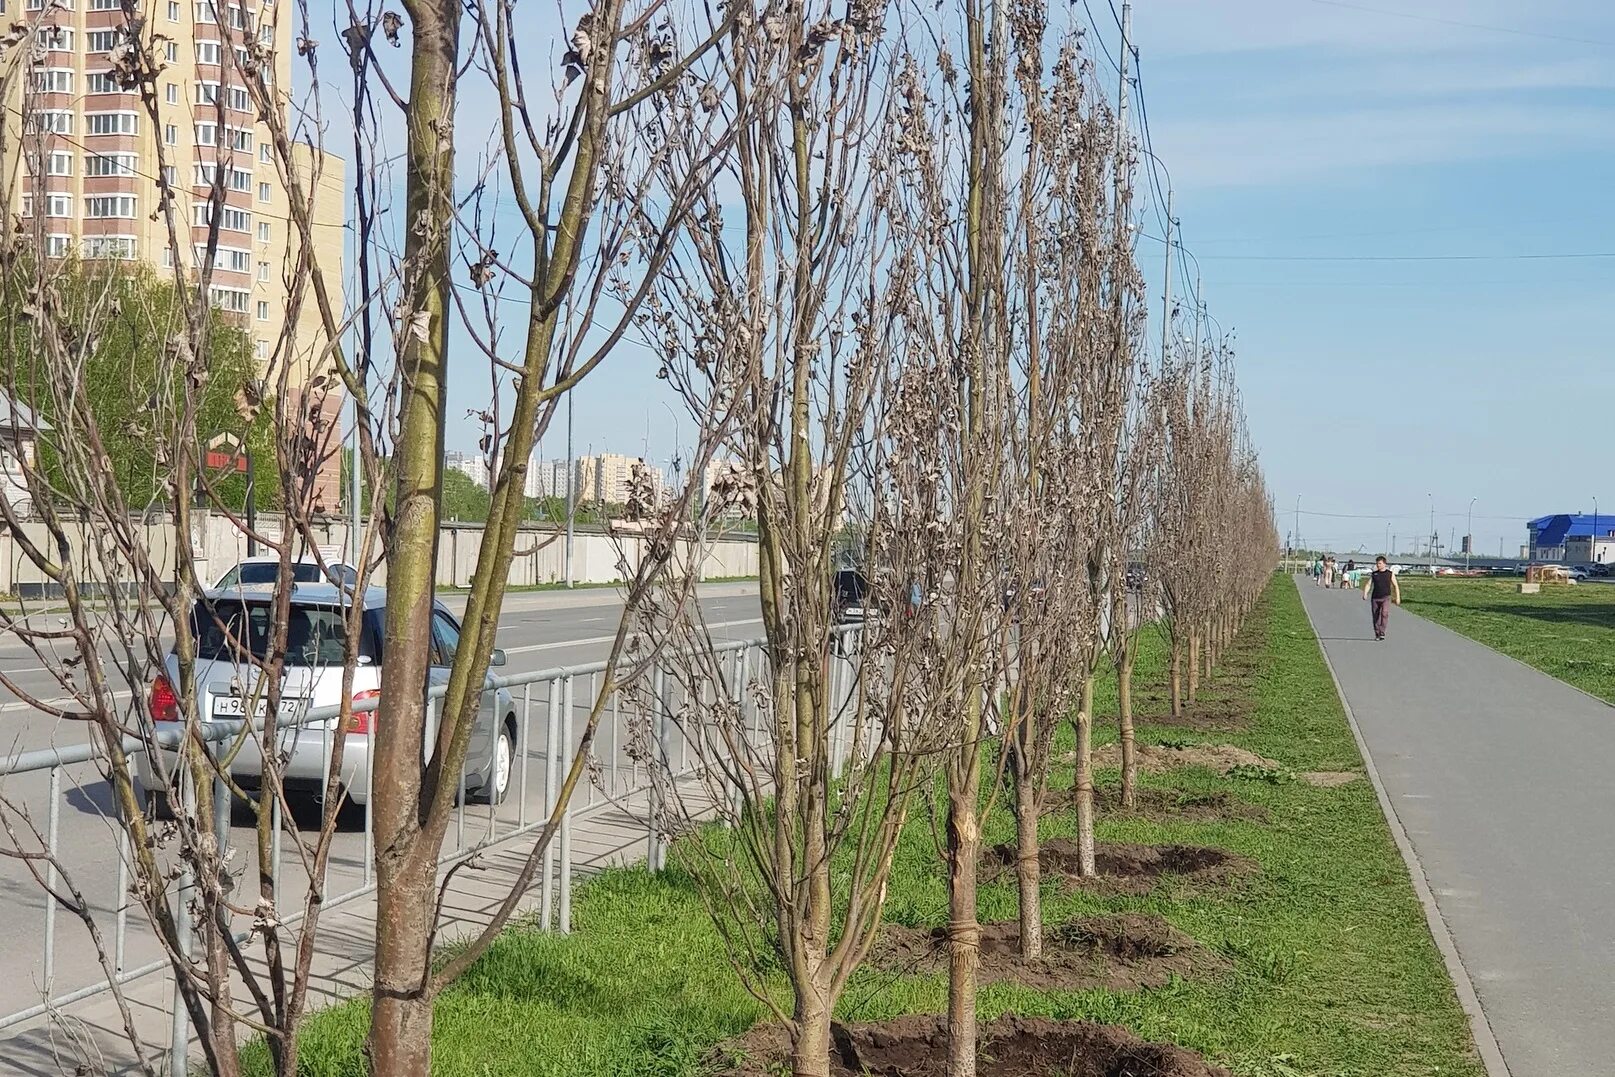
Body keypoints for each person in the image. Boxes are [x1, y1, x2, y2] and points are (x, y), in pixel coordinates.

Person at [1361, 555, 1401, 640]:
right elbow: (1368, 584)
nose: (1378, 565)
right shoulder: (1374, 574)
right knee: (1376, 615)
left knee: (1384, 613)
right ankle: (1377, 633)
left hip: (1386, 597)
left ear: (1384, 564)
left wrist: (1397, 597)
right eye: (1377, 563)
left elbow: (1395, 586)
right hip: (1375, 598)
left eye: (1379, 563)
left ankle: (1382, 632)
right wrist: (1365, 593)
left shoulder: (1389, 574)